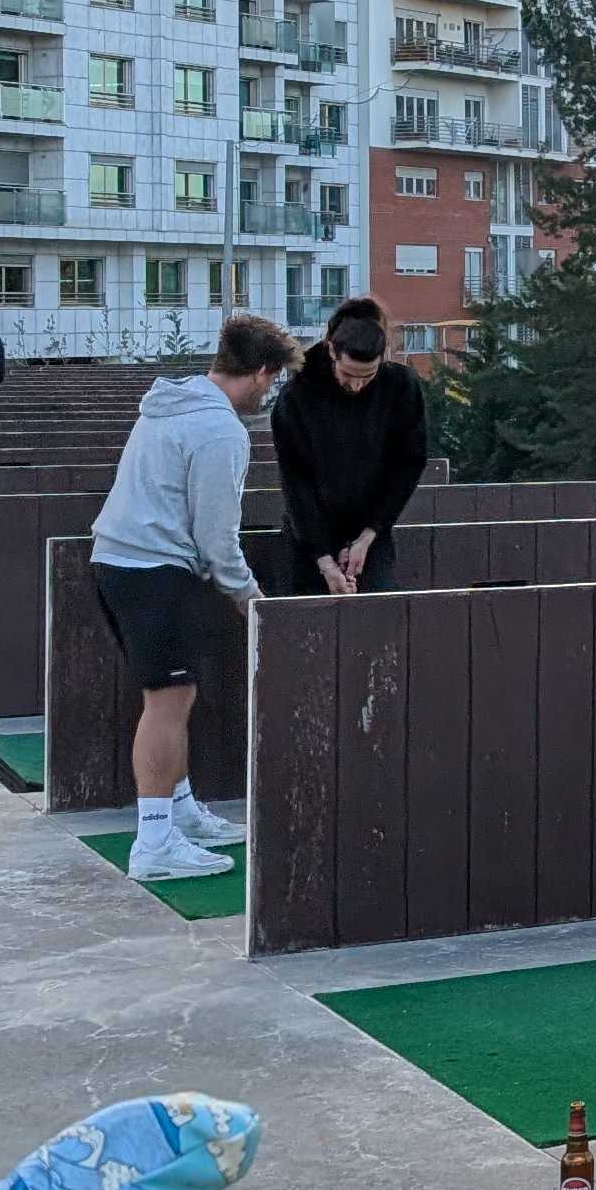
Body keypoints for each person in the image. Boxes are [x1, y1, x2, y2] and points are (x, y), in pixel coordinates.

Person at [87, 313, 294, 881]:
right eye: (271, 383)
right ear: (258, 373)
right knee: (167, 704)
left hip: (119, 561)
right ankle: (154, 842)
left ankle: (181, 816)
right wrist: (250, 598)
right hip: (153, 570)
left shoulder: (169, 405)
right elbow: (217, 537)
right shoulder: (221, 430)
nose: (267, 394)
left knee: (174, 699)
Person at [270, 296, 428, 597]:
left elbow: (408, 464)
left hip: (372, 532)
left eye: (367, 377)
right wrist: (324, 560)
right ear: (332, 351)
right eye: (348, 376)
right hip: (308, 538)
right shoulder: (297, 396)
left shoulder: (401, 386)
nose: (356, 386)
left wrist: (369, 534)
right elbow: (296, 481)